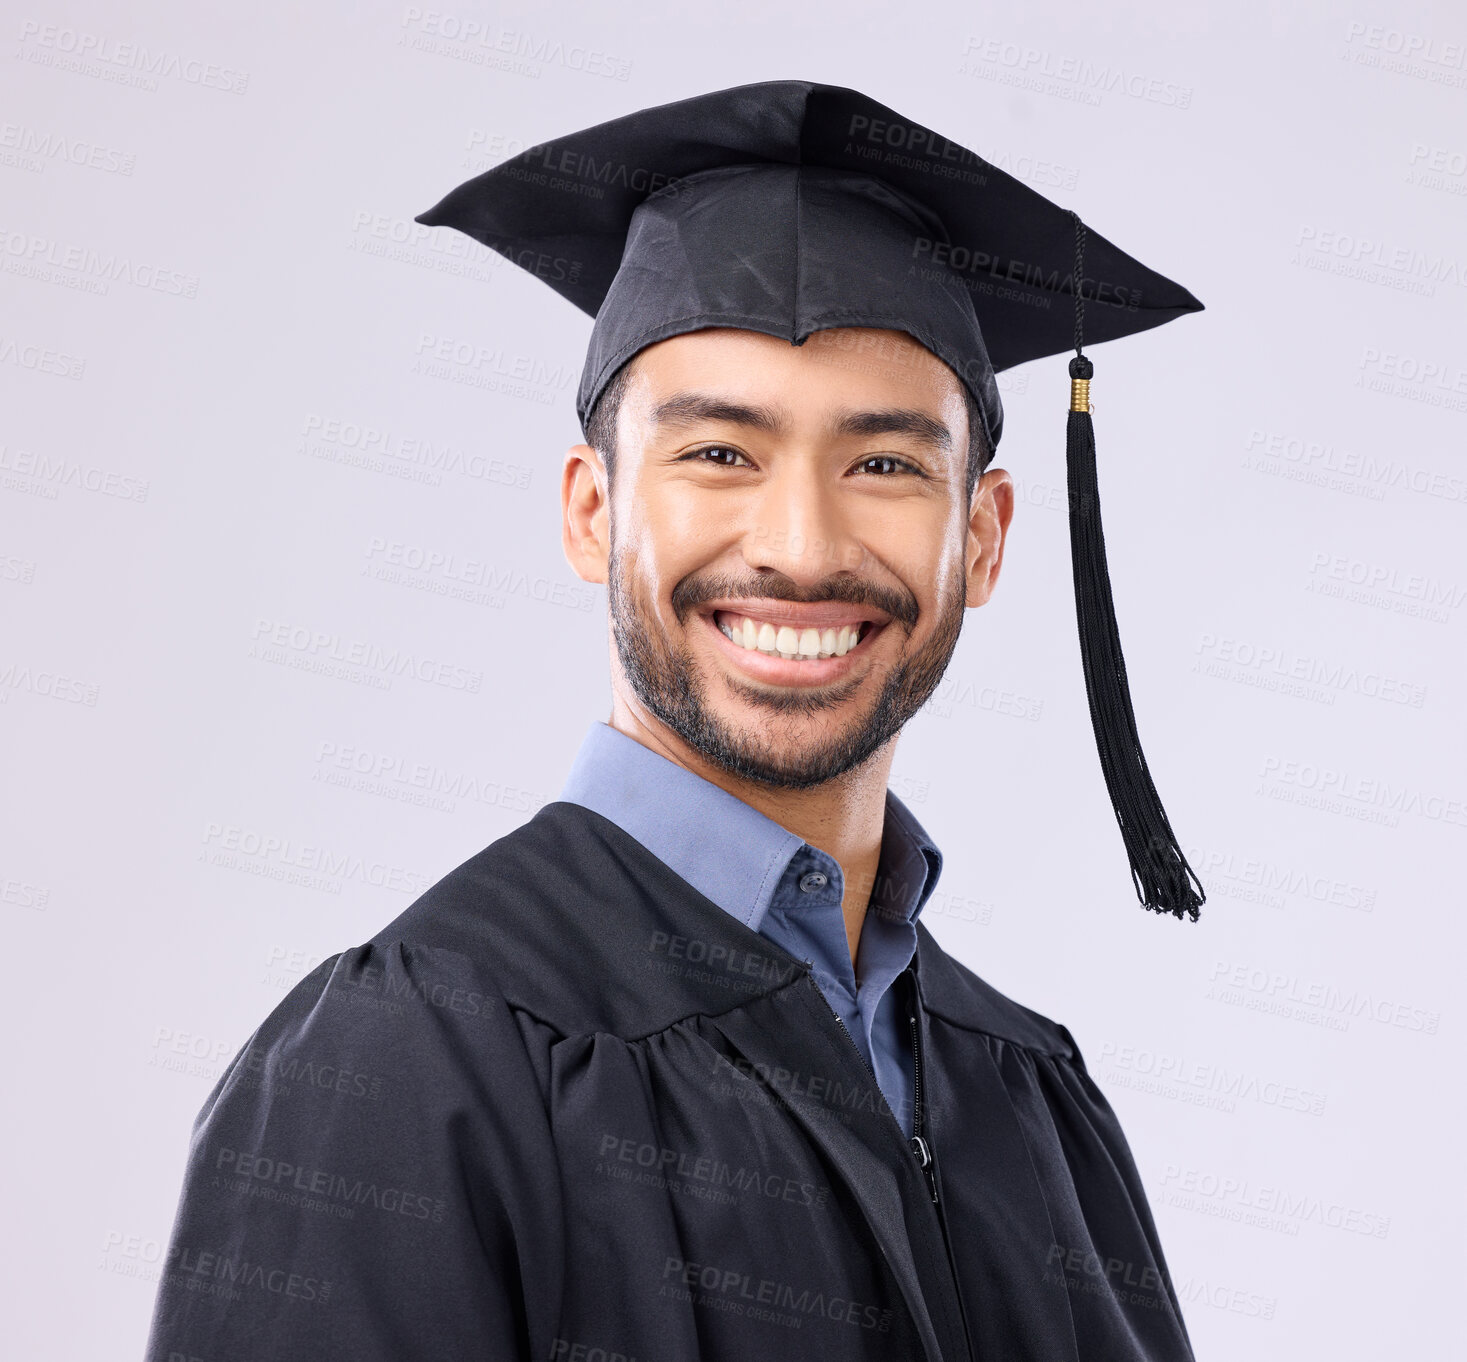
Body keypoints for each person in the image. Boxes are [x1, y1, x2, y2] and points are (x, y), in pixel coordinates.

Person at [146, 79, 1205, 1361]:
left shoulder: (1032, 1098)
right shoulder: (401, 1071)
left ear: (979, 540)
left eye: (885, 464)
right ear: (593, 512)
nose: (803, 546)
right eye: (720, 455)